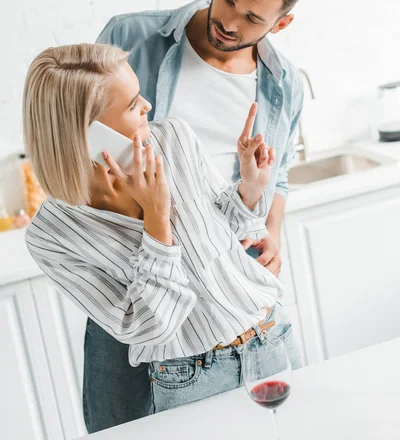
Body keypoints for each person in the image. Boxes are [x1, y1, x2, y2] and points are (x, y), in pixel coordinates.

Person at [85, 0, 311, 431]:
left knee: (276, 424)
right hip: (134, 277)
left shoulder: (284, 83)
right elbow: (80, 131)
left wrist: (273, 229)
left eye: (253, 19)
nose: (230, 22)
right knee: (118, 427)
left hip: (229, 277)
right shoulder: (130, 36)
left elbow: (281, 173)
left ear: (282, 24)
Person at [23, 43, 299, 425]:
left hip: (270, 338)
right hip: (189, 379)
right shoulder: (52, 237)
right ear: (87, 132)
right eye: (133, 104)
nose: (148, 107)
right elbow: (146, 327)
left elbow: (228, 233)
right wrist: (156, 218)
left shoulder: (172, 138)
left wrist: (250, 189)